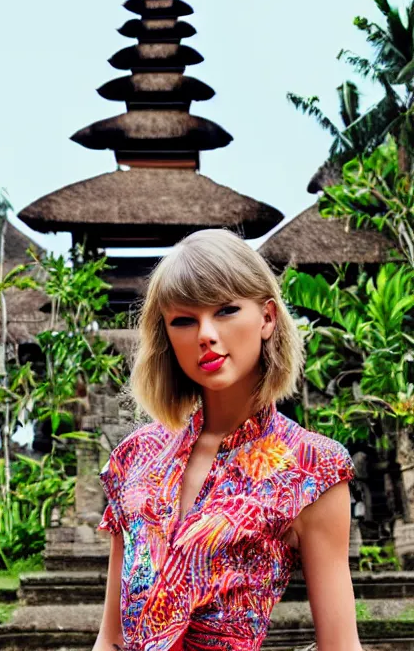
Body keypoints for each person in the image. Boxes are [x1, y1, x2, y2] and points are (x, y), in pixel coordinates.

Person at [93, 229, 363, 651]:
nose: (205, 333)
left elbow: (341, 647)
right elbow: (110, 639)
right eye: (183, 320)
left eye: (225, 310)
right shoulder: (135, 457)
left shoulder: (313, 467)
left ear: (267, 319)